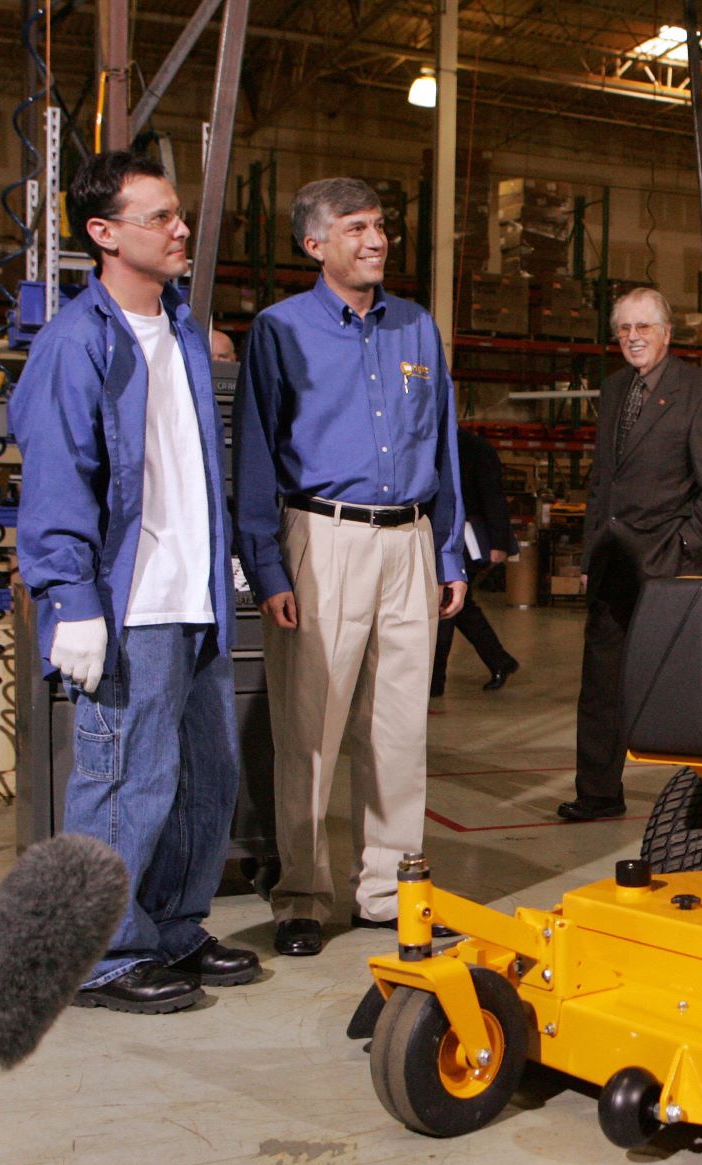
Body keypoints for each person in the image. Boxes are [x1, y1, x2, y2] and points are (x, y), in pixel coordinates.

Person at [12, 150, 257, 1013]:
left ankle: (171, 926)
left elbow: (188, 467)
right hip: (129, 605)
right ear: (104, 233)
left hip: (194, 596)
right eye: (159, 217)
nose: (180, 228)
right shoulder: (75, 342)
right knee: (123, 782)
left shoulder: (184, 332)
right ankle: (101, 952)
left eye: (179, 213)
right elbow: (55, 478)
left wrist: (220, 554)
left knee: (201, 776)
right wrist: (70, 598)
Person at [233, 177, 467, 958]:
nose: (376, 240)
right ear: (315, 244)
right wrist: (267, 565)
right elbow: (257, 455)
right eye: (357, 227)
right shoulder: (278, 330)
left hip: (409, 539)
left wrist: (445, 546)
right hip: (321, 538)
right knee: (311, 729)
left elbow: (443, 444)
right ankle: (302, 891)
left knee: (400, 733)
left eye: (381, 226)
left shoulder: (416, 329)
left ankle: (388, 893)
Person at [558, 288, 702, 822]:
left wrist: (684, 551)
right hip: (612, 562)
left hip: (667, 566)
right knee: (600, 687)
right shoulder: (615, 389)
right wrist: (590, 554)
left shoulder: (699, 392)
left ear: (666, 333)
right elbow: (603, 479)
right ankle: (598, 795)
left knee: (687, 687)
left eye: (644, 328)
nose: (633, 337)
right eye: (625, 329)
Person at [431, 426, 520, 695]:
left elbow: (493, 496)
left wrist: (498, 544)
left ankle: (435, 683)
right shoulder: (435, 444)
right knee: (461, 607)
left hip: (467, 539)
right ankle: (500, 661)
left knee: (448, 605)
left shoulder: (474, 448)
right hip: (445, 535)